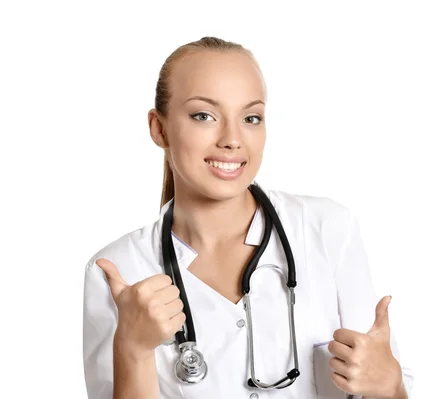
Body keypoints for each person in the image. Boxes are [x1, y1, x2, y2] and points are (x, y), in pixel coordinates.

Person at [82, 36, 414, 399]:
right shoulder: (119, 270)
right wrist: (132, 350)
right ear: (159, 128)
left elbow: (381, 386)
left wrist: (391, 387)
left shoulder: (328, 229)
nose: (232, 139)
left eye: (251, 117)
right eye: (203, 116)